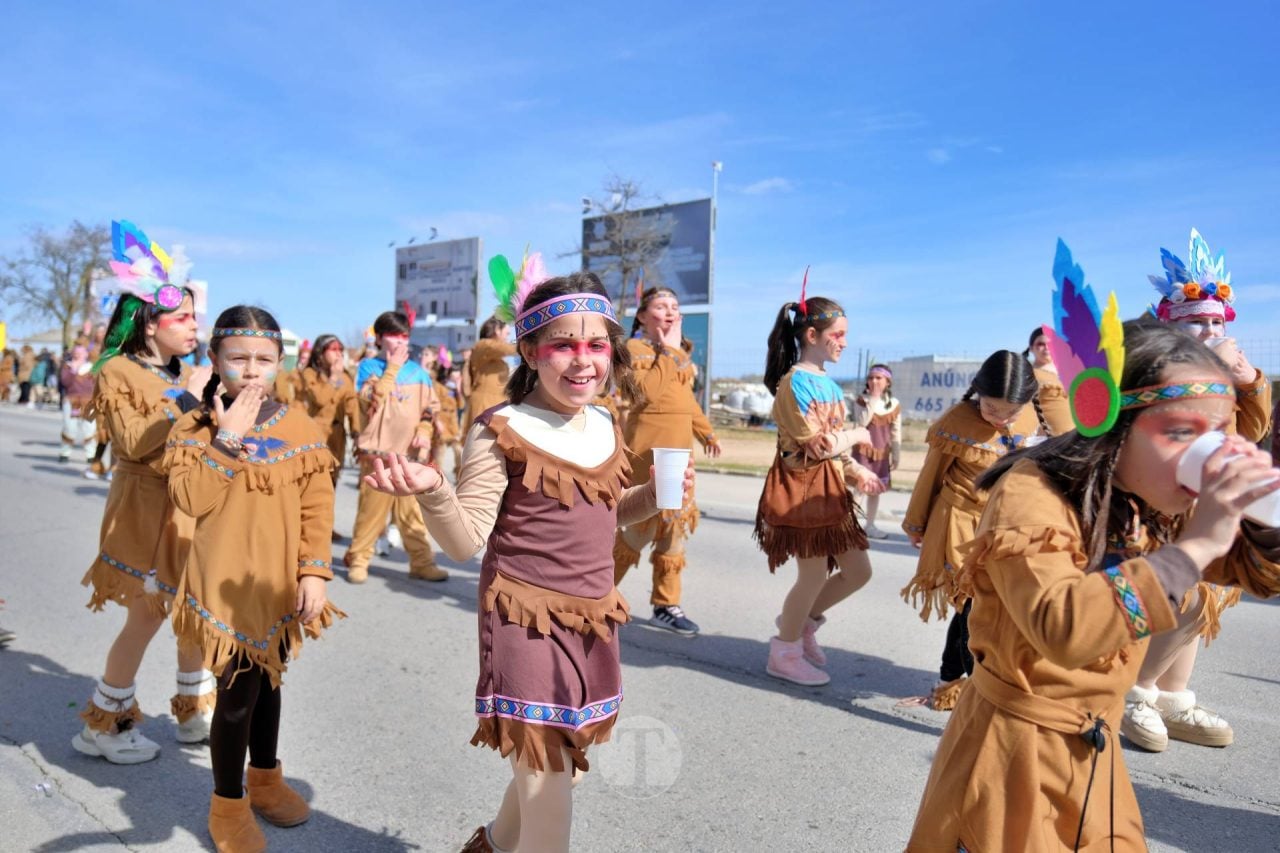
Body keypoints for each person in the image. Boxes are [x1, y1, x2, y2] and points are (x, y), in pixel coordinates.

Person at [906, 244, 1280, 851]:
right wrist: (1198, 544)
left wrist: (1258, 513)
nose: (1204, 451)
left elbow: (1262, 575)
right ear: (1117, 427)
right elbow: (1063, 627)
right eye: (1181, 431)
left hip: (1095, 758)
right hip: (1013, 756)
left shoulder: (1153, 495)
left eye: (1216, 431)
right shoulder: (1032, 493)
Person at [364, 270, 690, 853]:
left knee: (554, 758)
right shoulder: (501, 430)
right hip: (523, 621)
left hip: (592, 616)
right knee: (549, 784)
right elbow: (465, 543)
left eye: (595, 345)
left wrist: (661, 497)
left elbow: (605, 513)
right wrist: (434, 487)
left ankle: (486, 846)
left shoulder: (605, 421)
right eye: (563, 344)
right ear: (531, 351)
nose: (582, 360)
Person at [165, 305, 343, 852]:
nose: (251, 369)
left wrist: (314, 572)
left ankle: (265, 777)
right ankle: (227, 803)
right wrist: (227, 438)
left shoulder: (299, 426)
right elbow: (188, 498)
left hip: (277, 585)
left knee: (270, 682)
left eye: (264, 359)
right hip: (224, 585)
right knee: (237, 695)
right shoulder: (191, 425)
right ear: (215, 360)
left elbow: (317, 506)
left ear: (279, 363)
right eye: (238, 358)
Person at [1122, 229, 1273, 753]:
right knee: (1181, 594)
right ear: (1171, 323)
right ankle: (1133, 692)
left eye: (1216, 320)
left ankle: (1172, 695)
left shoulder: (1228, 371)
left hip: (1212, 497)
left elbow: (1251, 431)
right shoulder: (1152, 365)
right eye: (1196, 321)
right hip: (1163, 502)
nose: (1210, 328)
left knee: (1209, 598)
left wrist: (1249, 380)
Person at [72, 221, 214, 764]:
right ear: (151, 325)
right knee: (149, 614)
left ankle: (192, 709)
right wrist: (188, 401)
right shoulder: (117, 372)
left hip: (190, 508)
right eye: (182, 318)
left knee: (194, 609)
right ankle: (104, 725)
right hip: (145, 510)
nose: (192, 325)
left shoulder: (186, 370)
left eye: (194, 316)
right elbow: (132, 443)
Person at [753, 288, 882, 686]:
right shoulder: (794, 384)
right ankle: (784, 651)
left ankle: (802, 623)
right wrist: (862, 431)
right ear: (812, 336)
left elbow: (832, 445)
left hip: (829, 489)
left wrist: (856, 472)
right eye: (838, 335)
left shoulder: (826, 382)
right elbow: (819, 444)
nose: (844, 342)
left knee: (858, 571)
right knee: (810, 577)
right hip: (803, 491)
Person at [901, 351, 1043, 710]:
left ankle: (949, 681)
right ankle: (981, 696)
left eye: (1009, 411)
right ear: (978, 391)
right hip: (958, 523)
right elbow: (929, 477)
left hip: (999, 526)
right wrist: (916, 524)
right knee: (972, 608)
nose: (1000, 418)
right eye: (991, 408)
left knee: (978, 608)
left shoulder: (1029, 418)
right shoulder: (956, 421)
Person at [613, 286, 722, 634]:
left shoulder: (680, 357)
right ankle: (597, 590)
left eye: (675, 306)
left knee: (673, 530)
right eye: (661, 306)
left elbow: (685, 400)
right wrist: (669, 351)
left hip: (679, 451)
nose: (671, 311)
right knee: (640, 529)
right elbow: (647, 393)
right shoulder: (633, 349)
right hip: (647, 452)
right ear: (643, 316)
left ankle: (666, 604)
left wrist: (706, 432)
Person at [342, 310, 446, 583]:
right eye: (394, 336)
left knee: (411, 515)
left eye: (405, 336)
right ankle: (359, 559)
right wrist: (391, 370)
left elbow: (430, 409)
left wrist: (424, 432)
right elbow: (369, 402)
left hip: (410, 456)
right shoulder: (368, 368)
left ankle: (422, 562)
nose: (401, 342)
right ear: (380, 338)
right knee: (371, 513)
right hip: (377, 453)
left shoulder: (419, 373)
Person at [297, 334, 360, 496]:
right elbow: (320, 399)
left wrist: (356, 433)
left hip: (336, 438)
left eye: (340, 350)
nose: (338, 353)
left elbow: (352, 406)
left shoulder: (345, 377)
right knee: (312, 485)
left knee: (330, 486)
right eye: (333, 349)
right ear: (320, 353)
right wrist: (334, 378)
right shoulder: (310, 374)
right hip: (315, 435)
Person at [849, 364, 902, 539]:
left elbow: (896, 431)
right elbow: (862, 422)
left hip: (881, 454)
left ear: (888, 382)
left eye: (878, 378)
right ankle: (851, 524)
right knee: (860, 488)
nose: (874, 381)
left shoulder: (893, 404)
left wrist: (896, 453)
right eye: (871, 378)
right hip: (863, 451)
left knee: (875, 489)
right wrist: (874, 398)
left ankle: (870, 525)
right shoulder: (861, 400)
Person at [460, 316, 516, 435]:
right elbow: (502, 348)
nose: (507, 337)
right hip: (484, 405)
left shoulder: (493, 357)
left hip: (496, 405)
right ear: (497, 330)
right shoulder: (483, 345)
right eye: (506, 333)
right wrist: (526, 346)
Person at [1025, 326, 1074, 434]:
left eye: (1051, 343)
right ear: (1031, 348)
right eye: (1040, 344)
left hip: (1076, 439)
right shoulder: (1027, 375)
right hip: (1048, 442)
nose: (1046, 347)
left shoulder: (1070, 372)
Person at [59, 344, 97, 464]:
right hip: (71, 401)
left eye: (80, 352)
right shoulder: (67, 367)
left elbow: (97, 384)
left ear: (86, 354)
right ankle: (65, 453)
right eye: (76, 352)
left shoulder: (92, 367)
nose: (78, 354)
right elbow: (65, 382)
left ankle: (91, 455)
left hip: (88, 402)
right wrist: (73, 370)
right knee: (69, 427)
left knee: (90, 428)